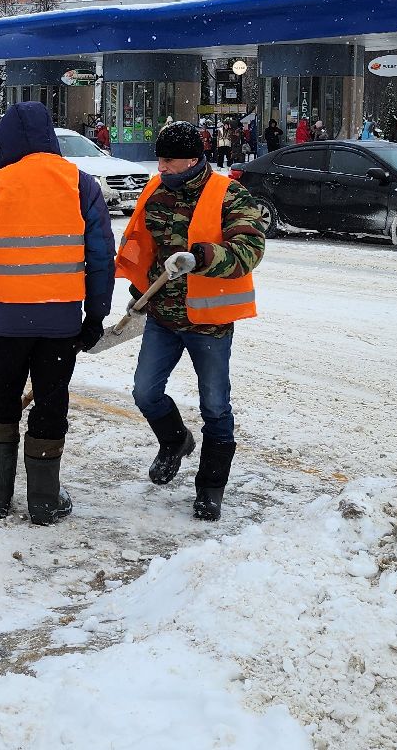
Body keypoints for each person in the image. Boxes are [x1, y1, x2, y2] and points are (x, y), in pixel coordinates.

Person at [0, 102, 115, 525]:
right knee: (50, 404)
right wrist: (96, 314)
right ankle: (44, 502)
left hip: (3, 322)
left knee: (1, 400)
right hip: (58, 324)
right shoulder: (81, 184)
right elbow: (101, 256)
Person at [117, 121, 267, 521]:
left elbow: (248, 250)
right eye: (159, 159)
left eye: (169, 160)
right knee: (145, 393)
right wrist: (140, 290)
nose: (161, 167)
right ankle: (174, 441)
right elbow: (146, 246)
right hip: (162, 317)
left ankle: (210, 488)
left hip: (209, 324)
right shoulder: (156, 190)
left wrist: (201, 257)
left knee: (215, 407)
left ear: (192, 159)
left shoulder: (229, 194)